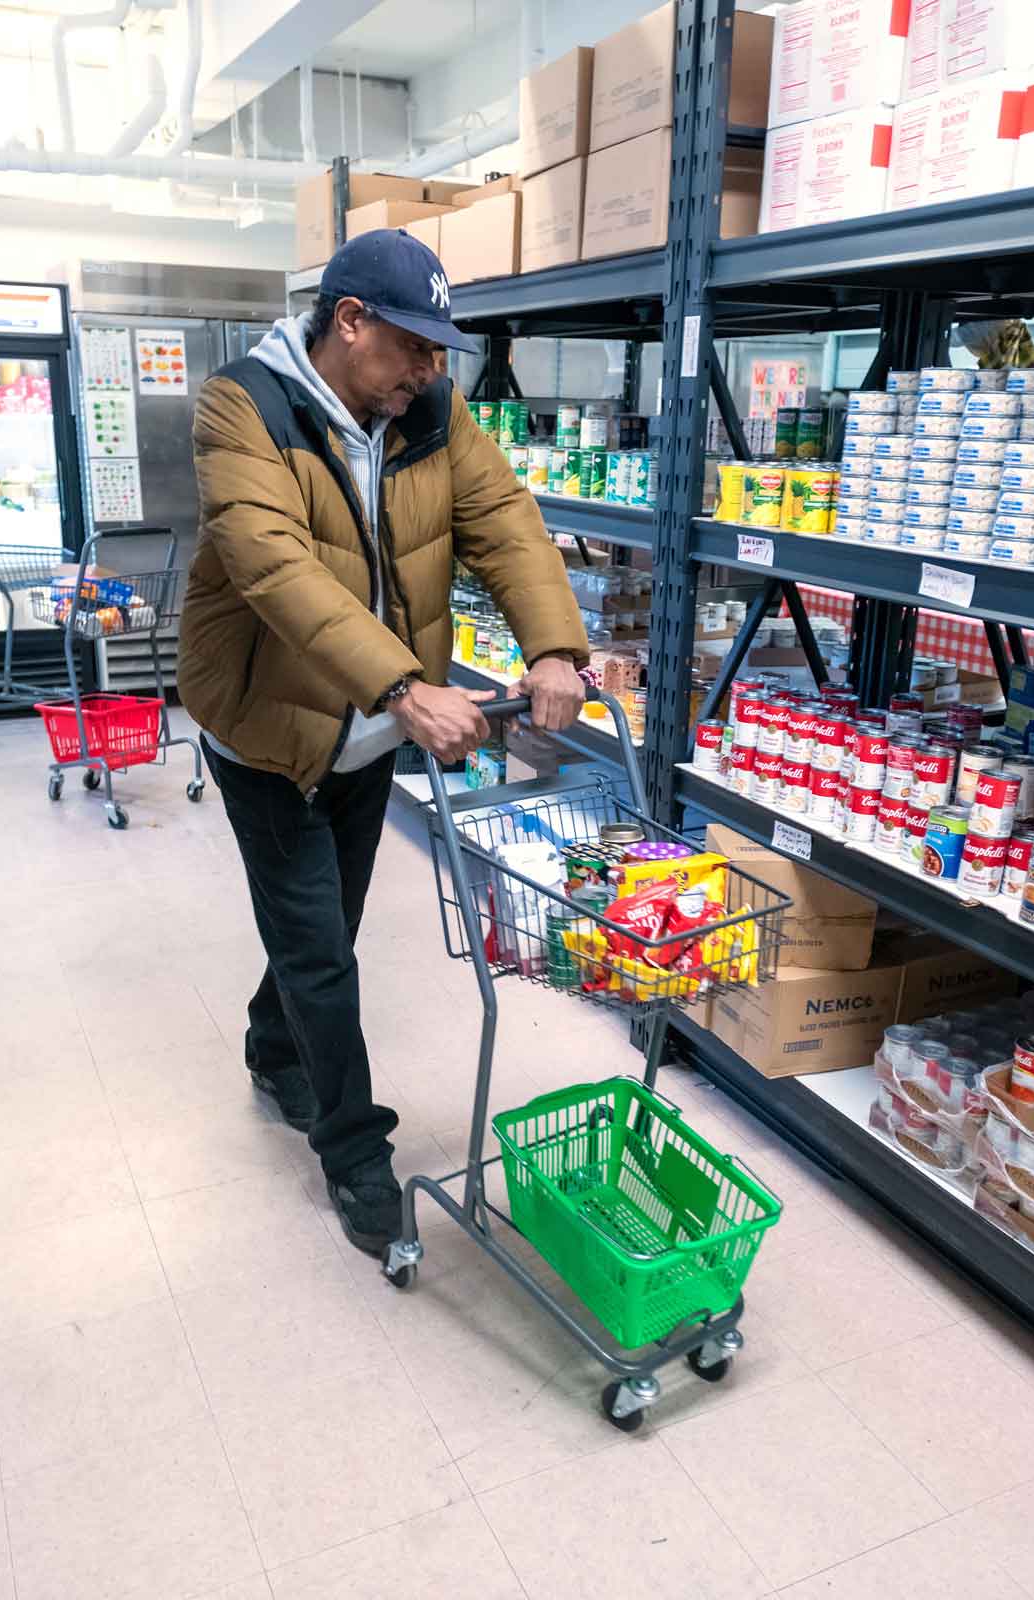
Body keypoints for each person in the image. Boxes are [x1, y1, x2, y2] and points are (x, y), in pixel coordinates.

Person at [181, 229, 590, 1256]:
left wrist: (552, 646)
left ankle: (272, 1047)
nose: (430, 370)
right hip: (269, 728)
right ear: (349, 321)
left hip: (368, 731)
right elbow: (277, 569)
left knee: (331, 927)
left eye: (440, 351)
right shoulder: (244, 408)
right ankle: (354, 1150)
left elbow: (504, 520)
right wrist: (405, 685)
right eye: (415, 346)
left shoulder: (433, 413)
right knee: (319, 945)